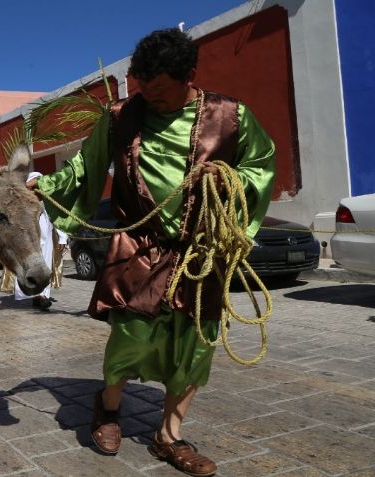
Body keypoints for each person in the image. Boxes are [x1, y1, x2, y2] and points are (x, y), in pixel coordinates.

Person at [28, 29, 275, 475]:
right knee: (131, 339)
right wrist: (42, 187)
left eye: (161, 90)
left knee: (195, 347)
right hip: (138, 249)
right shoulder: (121, 115)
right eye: (144, 87)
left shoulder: (231, 116)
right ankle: (108, 407)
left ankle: (169, 437)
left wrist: (227, 182)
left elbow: (260, 166)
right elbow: (84, 166)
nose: (151, 98)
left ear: (190, 77)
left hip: (201, 255)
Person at [2, 172, 67, 310]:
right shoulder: (20, 204)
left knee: (46, 266)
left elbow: (59, 219)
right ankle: (36, 295)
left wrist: (63, 237)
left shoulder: (49, 202)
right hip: (27, 243)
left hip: (46, 241)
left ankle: (43, 296)